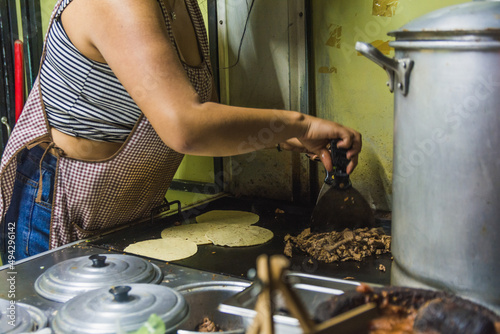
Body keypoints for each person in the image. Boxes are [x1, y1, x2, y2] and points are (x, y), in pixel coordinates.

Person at [0, 0, 362, 262]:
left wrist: (287, 138)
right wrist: (301, 123)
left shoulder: (184, 7)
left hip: (130, 213)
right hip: (55, 211)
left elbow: (211, 118)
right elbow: (186, 127)